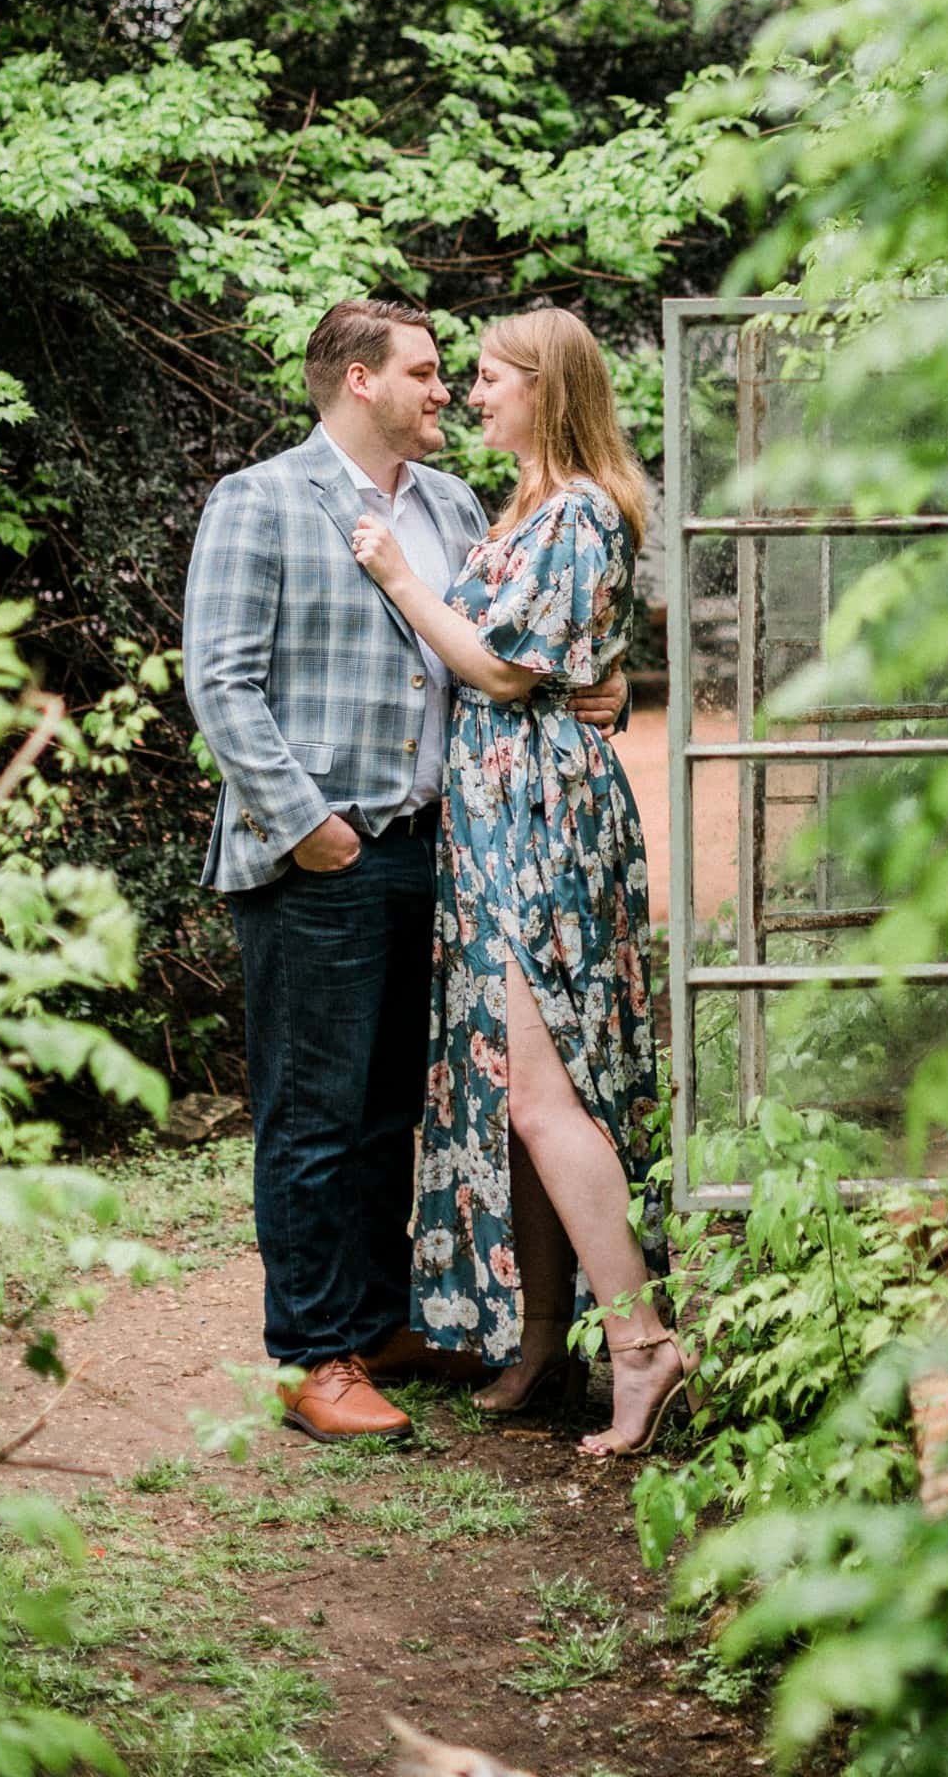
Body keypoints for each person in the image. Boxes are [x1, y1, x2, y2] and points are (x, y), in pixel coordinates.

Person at [182, 296, 627, 1444]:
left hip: (443, 850)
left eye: (455, 374)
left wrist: (596, 691)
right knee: (311, 1114)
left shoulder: (452, 503)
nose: (445, 392)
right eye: (426, 372)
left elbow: (502, 654)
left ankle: (378, 1322)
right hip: (317, 854)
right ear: (358, 381)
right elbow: (221, 682)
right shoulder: (263, 500)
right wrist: (305, 824)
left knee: (395, 1110)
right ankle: (311, 1354)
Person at [347, 305, 687, 1459]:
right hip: (500, 815)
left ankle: (640, 1346)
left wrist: (396, 574)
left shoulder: (582, 510)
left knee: (546, 1092)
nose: (469, 395)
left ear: (546, 388)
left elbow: (500, 667)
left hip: (540, 820)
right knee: (515, 1097)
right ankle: (544, 1337)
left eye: (487, 378)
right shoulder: (532, 507)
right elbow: (572, 663)